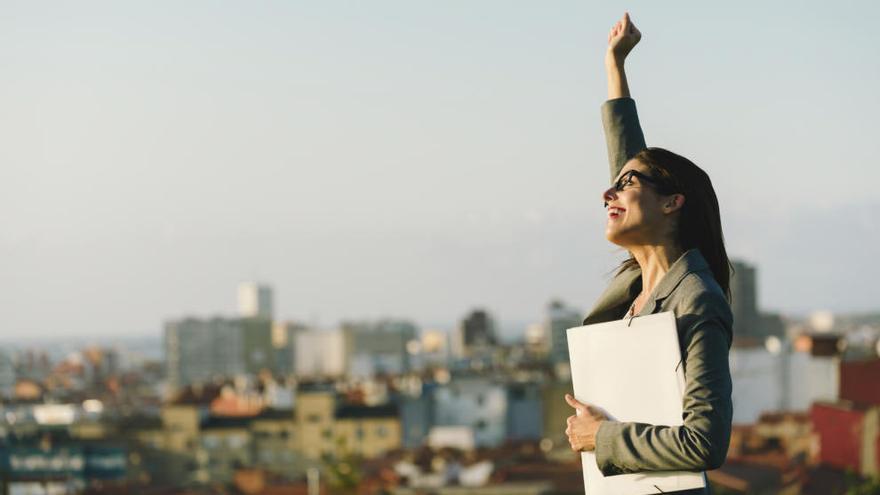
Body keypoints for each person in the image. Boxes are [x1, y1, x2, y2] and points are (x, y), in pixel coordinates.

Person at [562, 12, 734, 494]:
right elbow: (629, 159)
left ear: (672, 202)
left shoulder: (698, 300)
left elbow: (705, 442)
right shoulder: (638, 283)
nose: (607, 193)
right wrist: (614, 67)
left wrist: (604, 437)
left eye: (625, 186)